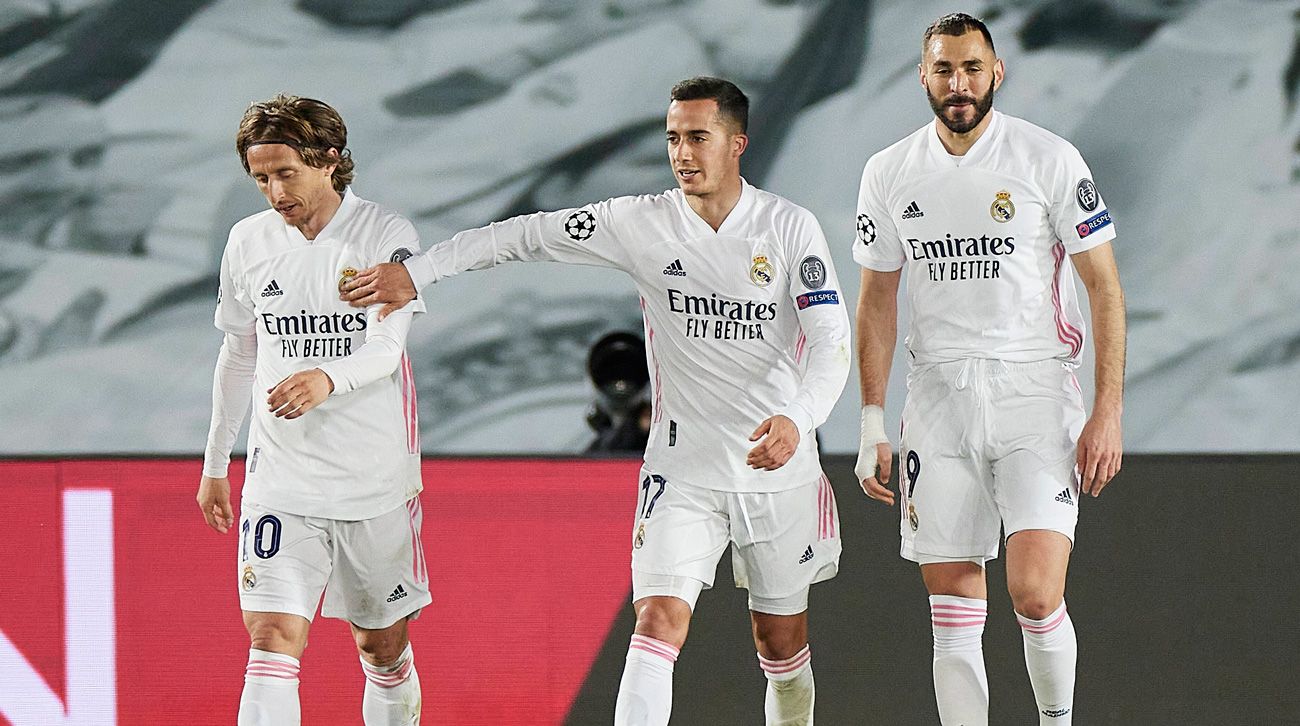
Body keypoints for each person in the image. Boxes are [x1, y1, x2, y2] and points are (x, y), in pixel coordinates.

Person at [341, 76, 851, 726]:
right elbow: (524, 235)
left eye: (698, 137)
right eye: (672, 138)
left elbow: (831, 338)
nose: (682, 153)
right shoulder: (639, 222)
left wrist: (798, 419)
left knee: (779, 643)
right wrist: (420, 269)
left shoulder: (787, 228)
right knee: (658, 620)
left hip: (776, 470)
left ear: (737, 143)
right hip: (682, 470)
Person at [852, 13, 1125, 725]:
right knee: (953, 616)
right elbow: (878, 299)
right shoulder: (888, 172)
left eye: (972, 67)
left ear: (997, 71)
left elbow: (1104, 287)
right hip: (938, 395)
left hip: (1034, 390)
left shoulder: (1049, 158)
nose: (959, 83)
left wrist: (1108, 410)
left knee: (1035, 593)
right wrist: (873, 422)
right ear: (923, 77)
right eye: (944, 69)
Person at [197, 94, 429, 726]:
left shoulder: (385, 234)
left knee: (380, 647)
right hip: (281, 481)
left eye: (285, 173)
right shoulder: (248, 241)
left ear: (329, 160)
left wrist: (325, 377)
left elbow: (386, 349)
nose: (274, 191)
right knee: (271, 636)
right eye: (261, 178)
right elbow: (238, 351)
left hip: (374, 482)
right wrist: (217, 460)